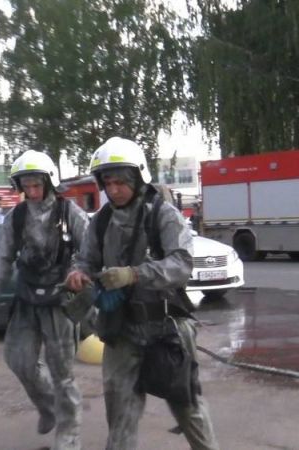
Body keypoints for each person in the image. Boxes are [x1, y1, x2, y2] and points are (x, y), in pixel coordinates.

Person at [65, 137, 219, 450]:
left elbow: (182, 264)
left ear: (138, 178)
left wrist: (134, 274)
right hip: (121, 330)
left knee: (188, 408)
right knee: (120, 416)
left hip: (167, 329)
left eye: (121, 181)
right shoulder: (102, 221)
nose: (114, 189)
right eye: (108, 182)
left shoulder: (163, 215)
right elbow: (86, 259)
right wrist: (77, 274)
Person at [0, 150, 89, 449]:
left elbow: (91, 252)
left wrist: (79, 272)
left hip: (60, 301)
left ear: (49, 182)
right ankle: (48, 406)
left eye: (36, 185)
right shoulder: (16, 218)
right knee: (18, 360)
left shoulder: (70, 214)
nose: (31, 191)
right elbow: (0, 258)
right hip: (27, 299)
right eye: (26, 185)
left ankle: (69, 437)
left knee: (62, 373)